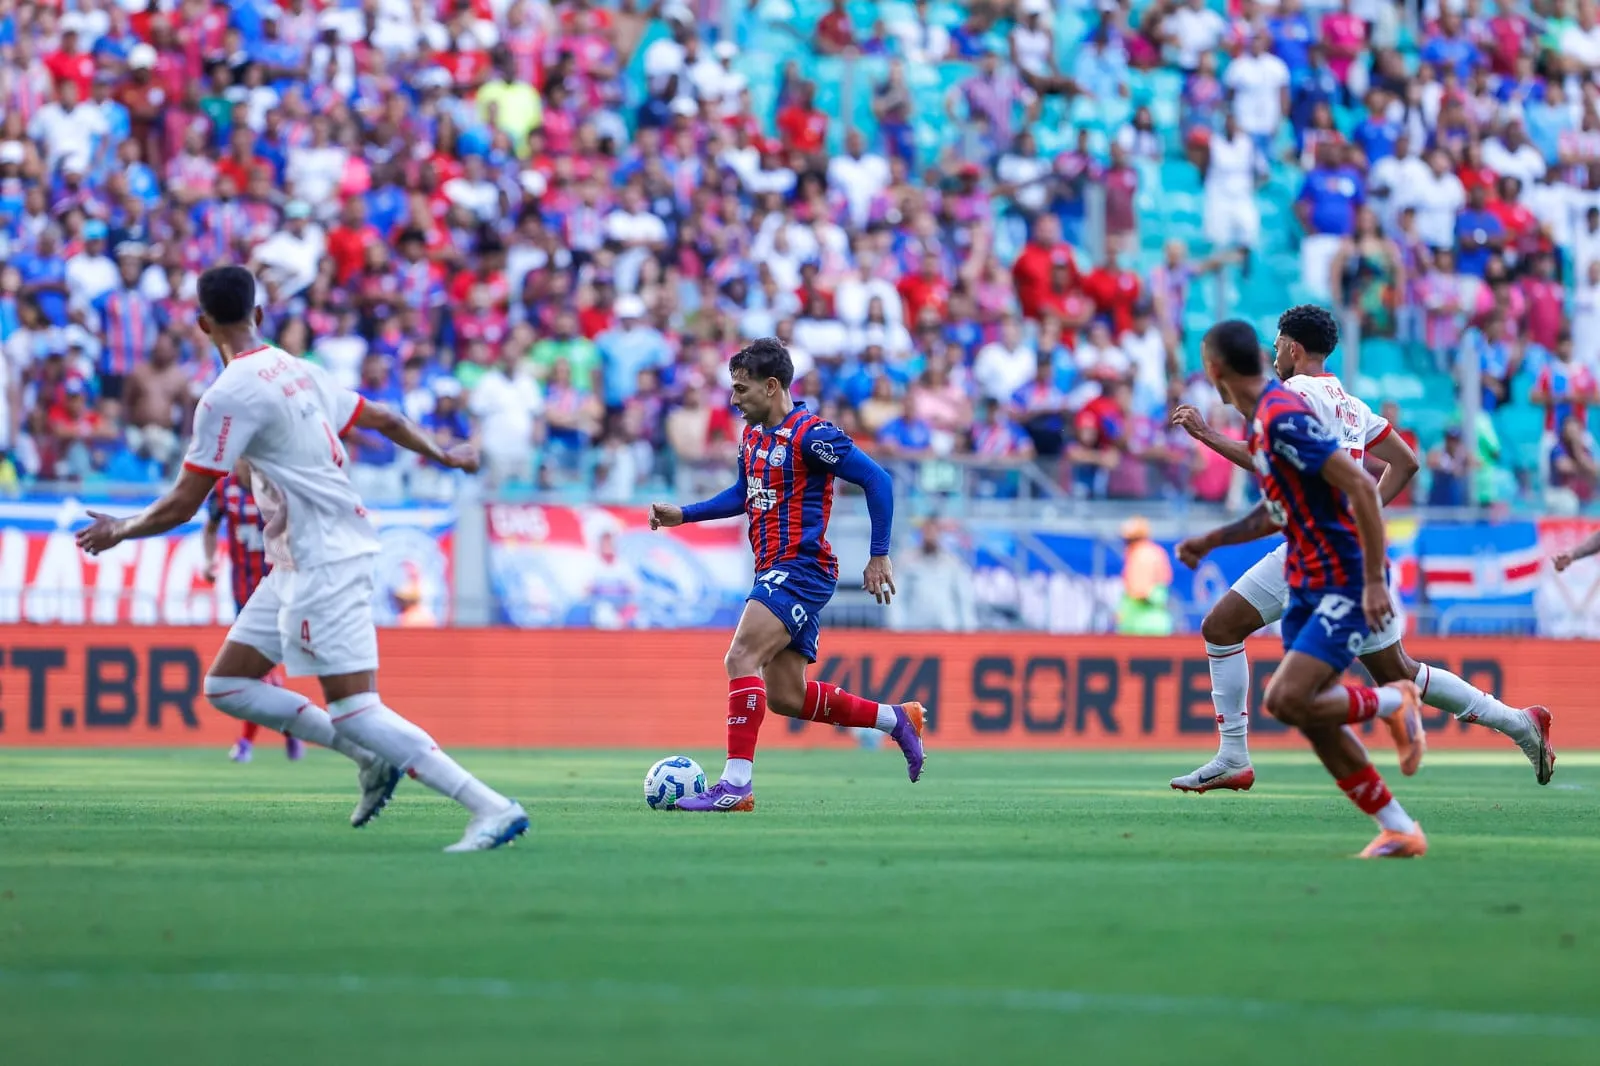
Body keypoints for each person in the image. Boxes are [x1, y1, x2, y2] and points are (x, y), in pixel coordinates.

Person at [75, 266, 526, 852]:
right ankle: (368, 759)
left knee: (357, 709)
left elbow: (186, 504)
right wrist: (444, 454)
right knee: (229, 685)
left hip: (323, 559)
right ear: (258, 316)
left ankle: (491, 807)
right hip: (293, 560)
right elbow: (384, 418)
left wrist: (120, 528)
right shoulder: (298, 368)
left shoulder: (226, 395)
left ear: (203, 324)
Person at [1170, 306, 1555, 794]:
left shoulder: (1292, 393)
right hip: (1329, 545)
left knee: (1235, 634)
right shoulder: (1352, 404)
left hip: (1322, 554)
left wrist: (1207, 435)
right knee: (1397, 671)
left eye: (1277, 347)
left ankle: (1236, 754)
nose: (1273, 356)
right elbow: (1407, 462)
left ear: (1292, 348)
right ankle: (1519, 723)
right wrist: (1362, 510)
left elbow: (1265, 460)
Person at [1179, 319, 1428, 859]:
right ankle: (1399, 828)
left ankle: (1393, 699)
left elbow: (1361, 483)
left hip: (1341, 573)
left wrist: (1369, 578)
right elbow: (1279, 507)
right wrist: (1213, 540)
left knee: (1287, 698)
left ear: (1215, 369)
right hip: (1306, 573)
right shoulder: (1269, 420)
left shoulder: (1286, 411)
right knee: (1307, 712)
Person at [647, 337, 923, 811]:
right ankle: (893, 718)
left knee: (740, 656)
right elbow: (742, 493)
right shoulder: (752, 435)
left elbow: (878, 480)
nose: (733, 400)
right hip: (774, 569)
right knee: (786, 697)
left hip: (801, 567)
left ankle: (736, 786)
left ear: (772, 386)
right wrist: (685, 515)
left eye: (741, 389)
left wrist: (879, 554)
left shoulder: (813, 436)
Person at [203, 462, 302, 764]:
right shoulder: (223, 489)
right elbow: (210, 526)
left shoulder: (277, 486)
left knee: (256, 673)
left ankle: (248, 742)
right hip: (241, 591)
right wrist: (209, 561)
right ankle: (290, 729)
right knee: (256, 673)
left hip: (275, 591)